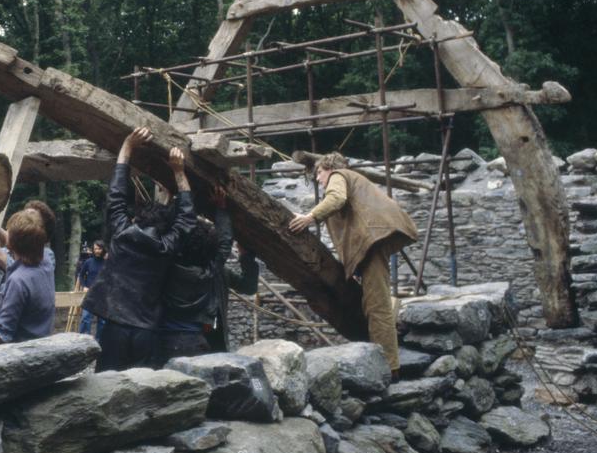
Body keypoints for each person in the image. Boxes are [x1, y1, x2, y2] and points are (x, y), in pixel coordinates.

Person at [288, 152, 418, 379]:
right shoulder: (353, 179)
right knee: (373, 301)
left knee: (377, 305)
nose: (318, 178)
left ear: (329, 168)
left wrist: (310, 217)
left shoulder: (339, 175)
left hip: (373, 240)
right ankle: (387, 361)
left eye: (319, 172)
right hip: (374, 240)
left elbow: (336, 198)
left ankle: (389, 368)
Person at [82, 127, 196, 372]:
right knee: (143, 397)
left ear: (137, 220)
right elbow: (186, 219)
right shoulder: (166, 246)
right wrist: (179, 173)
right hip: (147, 331)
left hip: (115, 328)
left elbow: (116, 195)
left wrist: (127, 147)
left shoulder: (123, 235)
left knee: (104, 391)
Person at [156, 186, 258, 363]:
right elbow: (225, 245)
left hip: (174, 336)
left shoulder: (169, 267)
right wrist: (246, 256)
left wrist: (175, 200)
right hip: (203, 337)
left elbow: (248, 286)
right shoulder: (214, 270)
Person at [0, 209, 56, 347]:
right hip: (42, 349)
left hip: (20, 357)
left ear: (10, 244)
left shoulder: (18, 281)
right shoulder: (47, 262)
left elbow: (3, 333)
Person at [74, 240, 107, 336]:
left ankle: (99, 342)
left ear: (103, 249)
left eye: (99, 248)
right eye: (95, 248)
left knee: (102, 321)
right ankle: (84, 340)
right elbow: (81, 275)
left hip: (102, 294)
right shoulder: (88, 262)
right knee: (85, 318)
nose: (97, 251)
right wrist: (84, 286)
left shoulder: (107, 263)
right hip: (89, 294)